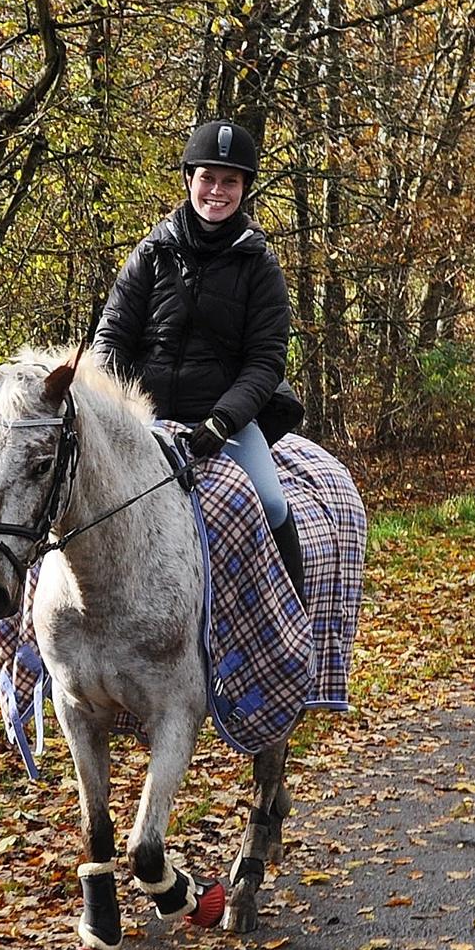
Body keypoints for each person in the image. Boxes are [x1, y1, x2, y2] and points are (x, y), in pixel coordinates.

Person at [92, 119, 305, 600]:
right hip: (145, 417)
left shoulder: (260, 267)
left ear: (244, 189)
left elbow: (265, 362)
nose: (217, 191)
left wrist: (221, 421)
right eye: (208, 178)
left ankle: (295, 615)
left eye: (230, 181)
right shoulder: (150, 253)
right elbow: (112, 338)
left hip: (219, 422)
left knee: (271, 503)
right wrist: (119, 409)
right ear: (189, 179)